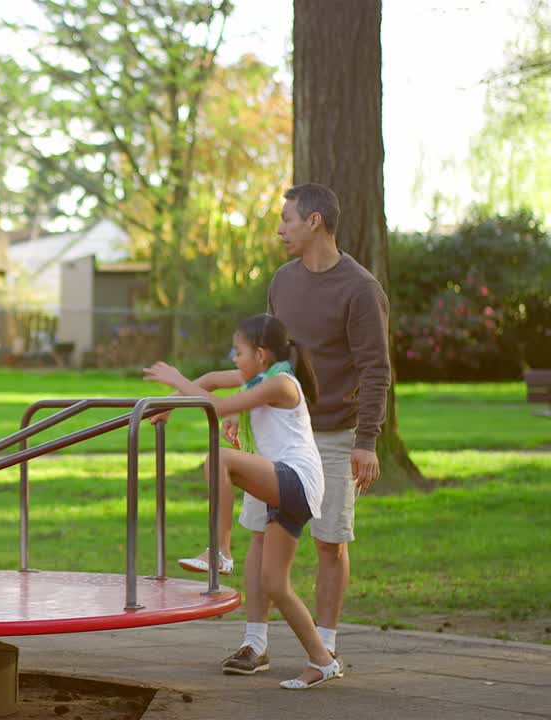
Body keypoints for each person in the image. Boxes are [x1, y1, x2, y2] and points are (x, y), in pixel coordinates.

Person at [219, 183, 391, 676]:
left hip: (336, 434)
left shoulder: (359, 289)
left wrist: (367, 441)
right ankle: (255, 643)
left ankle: (327, 645)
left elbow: (376, 369)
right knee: (259, 533)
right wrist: (238, 409)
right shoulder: (282, 280)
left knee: (330, 541)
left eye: (286, 220)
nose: (279, 230)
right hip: (280, 434)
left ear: (314, 221)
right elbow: (265, 356)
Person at [144, 314, 343, 690]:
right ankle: (322, 661)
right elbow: (208, 384)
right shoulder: (262, 378)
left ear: (262, 354)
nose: (234, 359)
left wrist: (176, 380)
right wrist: (170, 402)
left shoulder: (281, 384)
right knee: (275, 584)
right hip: (286, 484)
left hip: (296, 479)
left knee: (220, 459)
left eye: (238, 352)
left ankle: (220, 550)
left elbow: (216, 406)